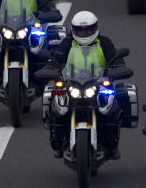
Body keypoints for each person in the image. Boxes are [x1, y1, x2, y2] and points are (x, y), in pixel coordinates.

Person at [44, 11, 127, 159]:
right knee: (56, 102)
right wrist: (52, 67)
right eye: (80, 30)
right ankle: (56, 139)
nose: (84, 33)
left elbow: (116, 59)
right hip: (72, 84)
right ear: (73, 29)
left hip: (99, 85)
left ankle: (112, 143)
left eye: (88, 29)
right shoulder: (68, 43)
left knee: (114, 104)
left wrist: (117, 68)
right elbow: (57, 58)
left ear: (95, 27)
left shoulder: (104, 42)